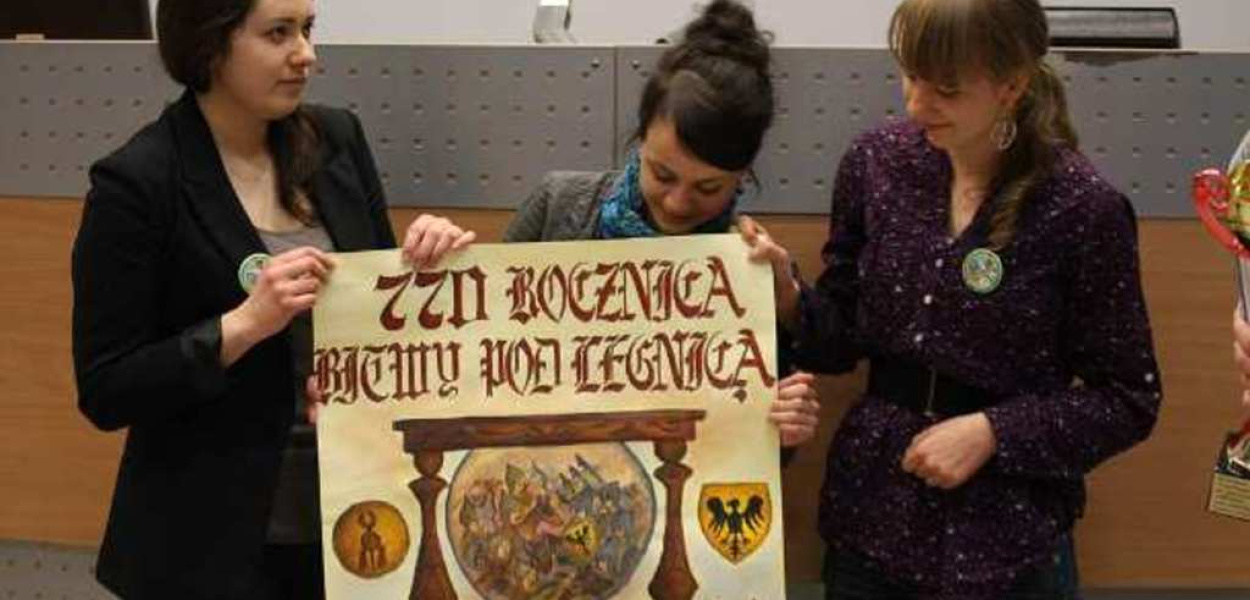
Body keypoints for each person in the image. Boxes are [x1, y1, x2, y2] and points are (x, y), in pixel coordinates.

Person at [742, 0, 1161, 597]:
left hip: (1008, 540)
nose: (917, 105)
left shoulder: (1082, 208)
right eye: (910, 76)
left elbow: (1127, 399)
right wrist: (785, 294)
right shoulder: (876, 163)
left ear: (1011, 86)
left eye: (945, 89)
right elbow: (841, 340)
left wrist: (994, 432)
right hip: (872, 522)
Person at [70, 0, 469, 598]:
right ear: (210, 45)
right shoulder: (137, 182)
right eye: (278, 34)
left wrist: (425, 263)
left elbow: (380, 323)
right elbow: (107, 388)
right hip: (211, 544)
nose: (306, 55)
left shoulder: (337, 138)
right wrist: (242, 325)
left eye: (307, 30)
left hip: (354, 513)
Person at [415, 0, 822, 450]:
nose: (678, 202)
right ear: (640, 139)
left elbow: (759, 446)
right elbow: (471, 355)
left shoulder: (754, 268)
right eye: (662, 175)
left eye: (708, 188)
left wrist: (782, 430)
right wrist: (438, 260)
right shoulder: (558, 206)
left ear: (742, 175)